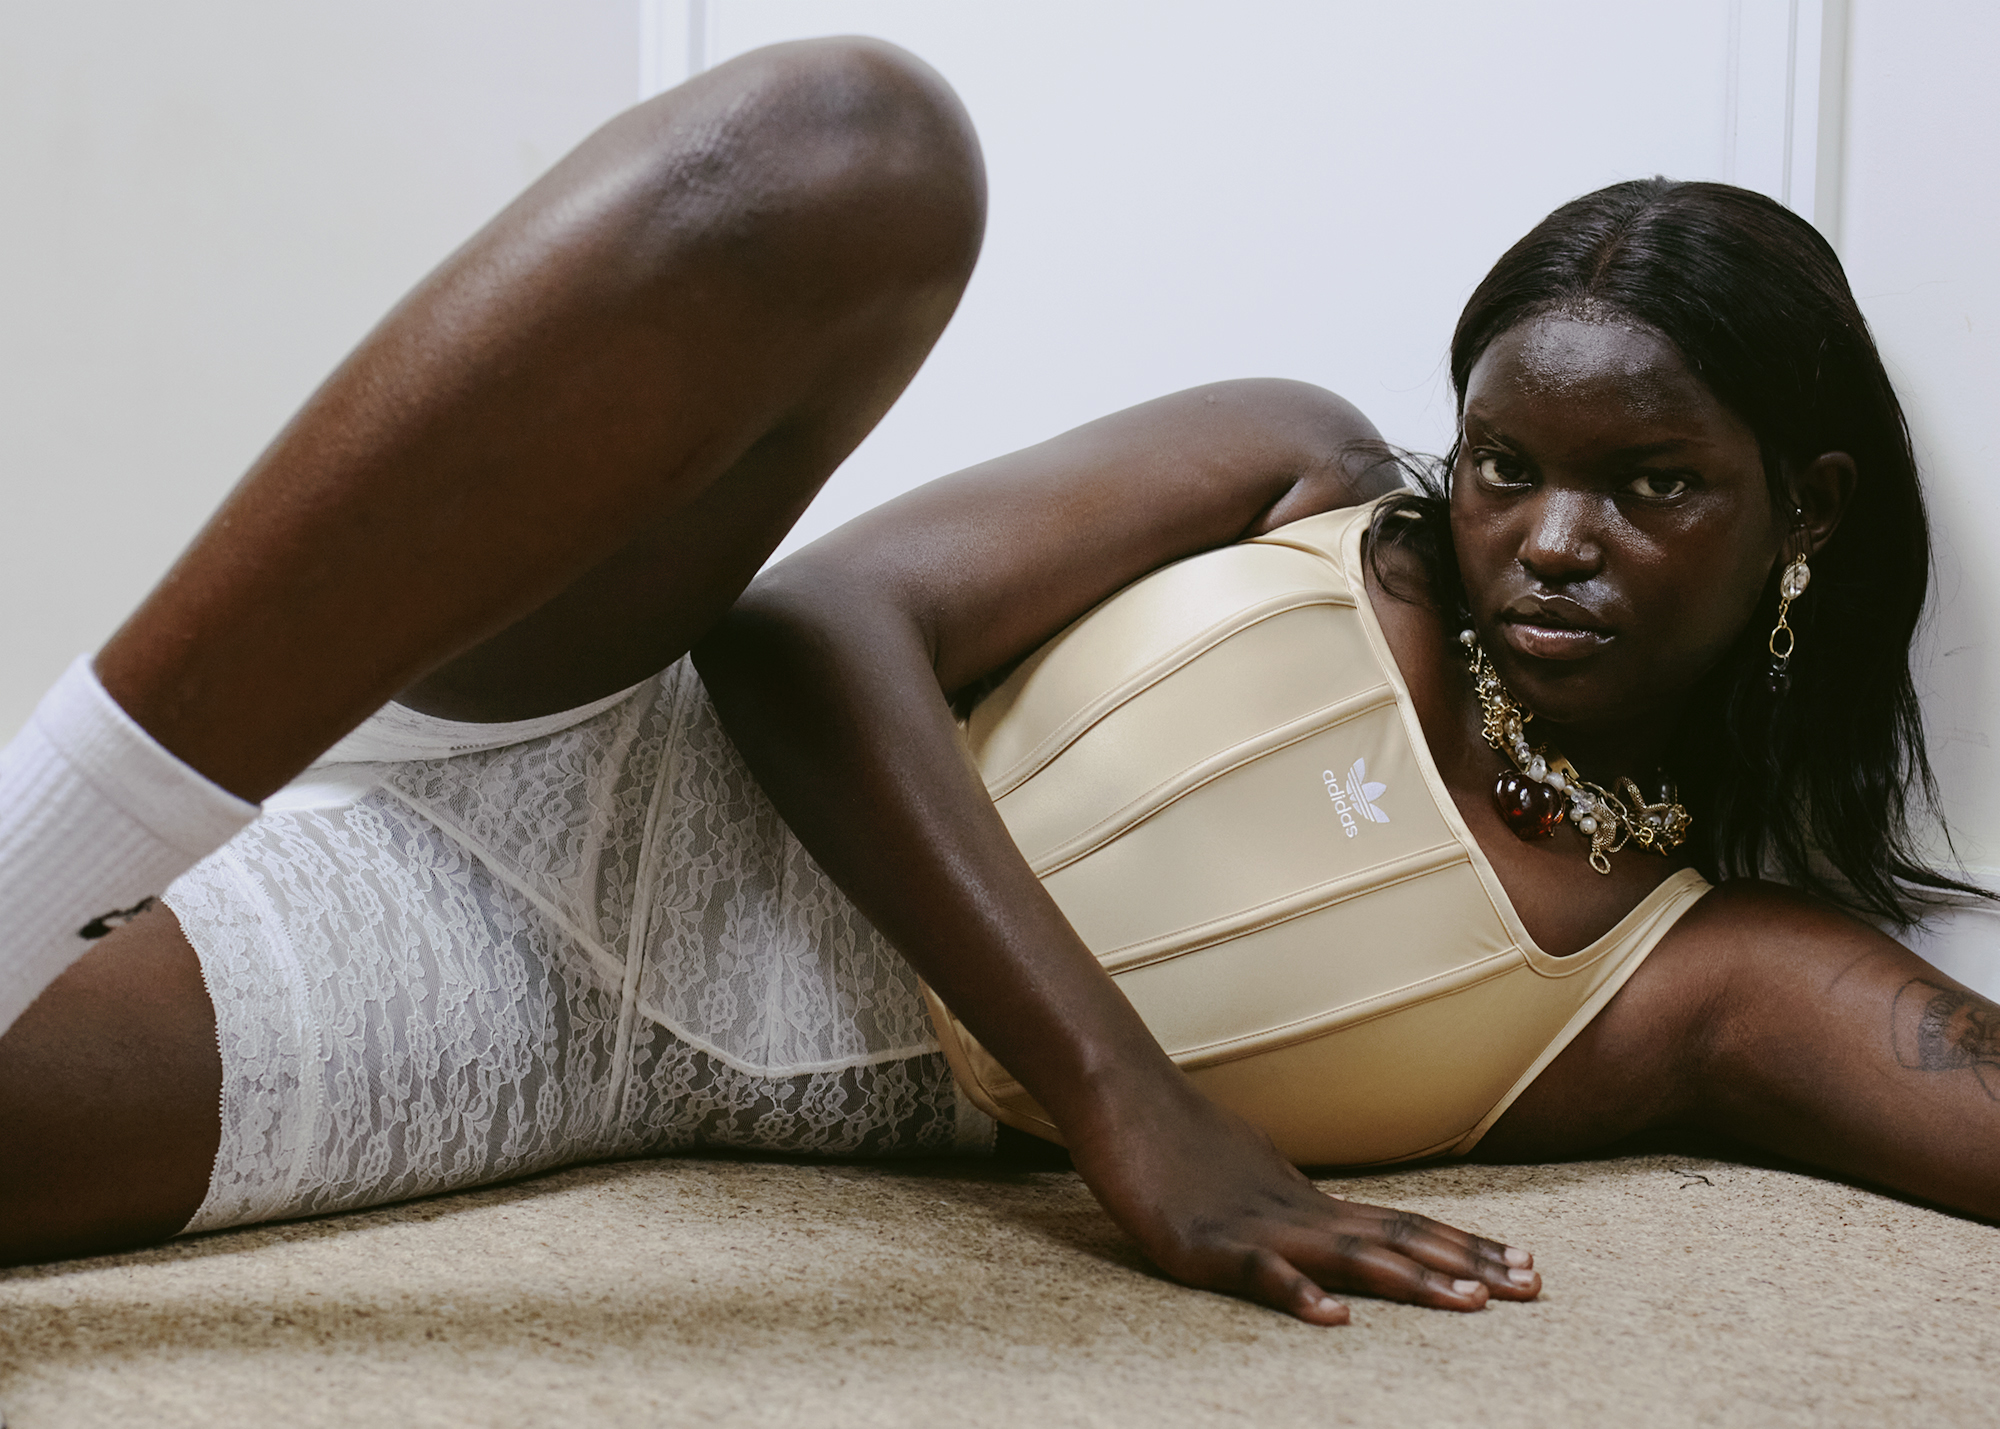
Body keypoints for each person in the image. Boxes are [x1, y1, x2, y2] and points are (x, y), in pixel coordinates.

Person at [1, 37, 1995, 1326]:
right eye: (1507, 465)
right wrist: (1133, 1110)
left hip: (601, 1035)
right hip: (613, 741)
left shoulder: (1687, 968)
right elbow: (806, 626)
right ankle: (32, 855)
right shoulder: (1305, 473)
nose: (1551, 537)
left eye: (1650, 487)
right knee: (852, 147)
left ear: (1798, 511)